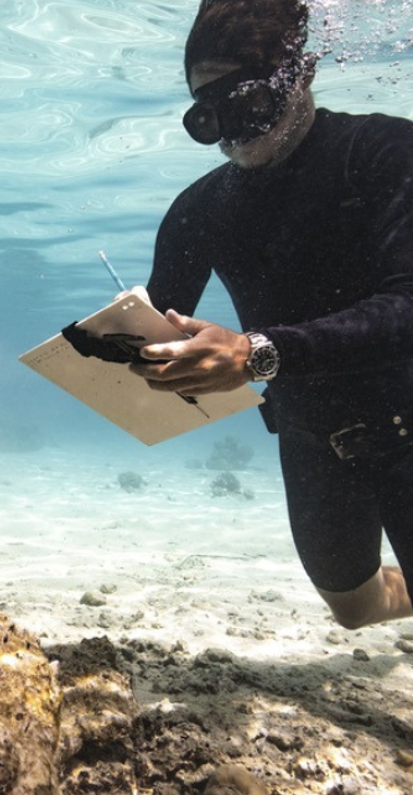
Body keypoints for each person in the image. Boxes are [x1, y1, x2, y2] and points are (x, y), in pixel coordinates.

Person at [134, 0, 413, 628]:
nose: (233, 131)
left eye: (251, 104)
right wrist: (127, 346)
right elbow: (159, 320)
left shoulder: (385, 152)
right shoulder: (197, 208)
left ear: (304, 71)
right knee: (354, 609)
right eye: (210, 117)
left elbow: (408, 305)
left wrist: (254, 352)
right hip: (313, 438)